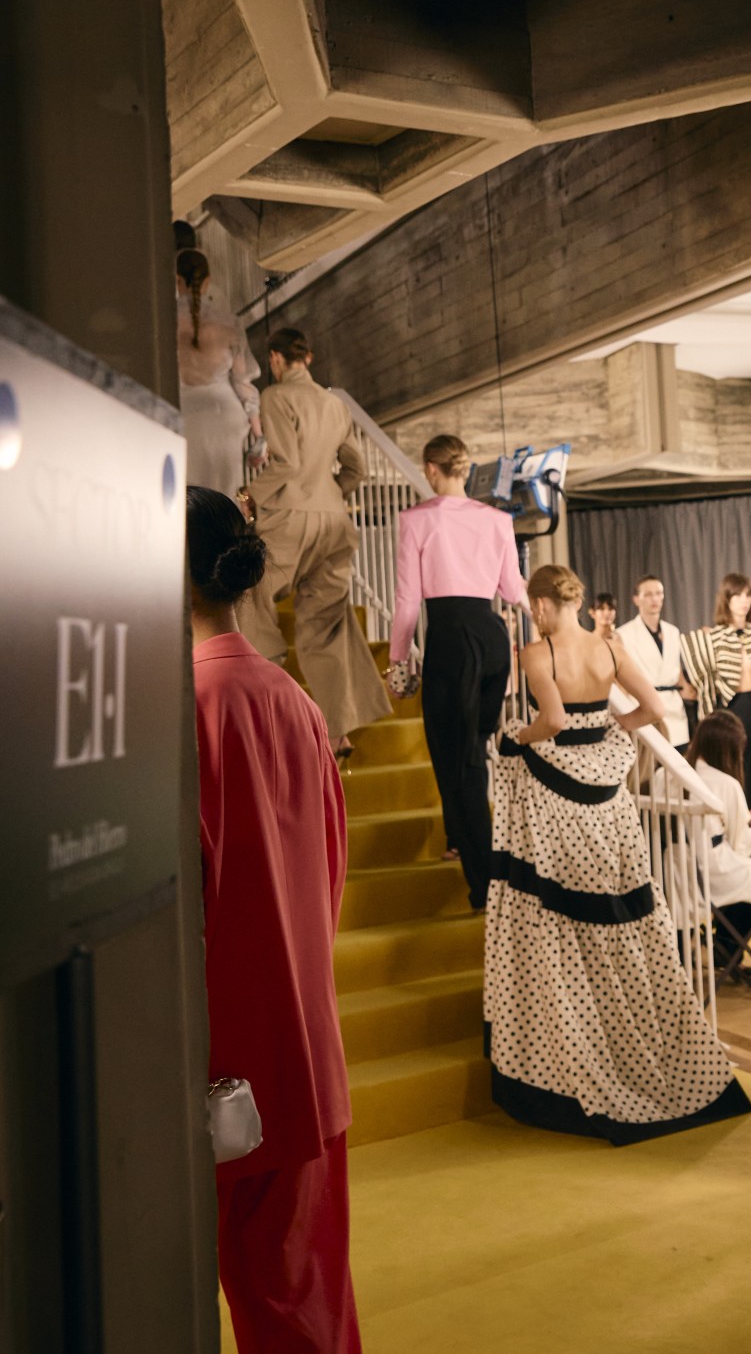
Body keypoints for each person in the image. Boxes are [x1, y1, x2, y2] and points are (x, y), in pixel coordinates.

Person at [188, 485, 365, 1354]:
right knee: (311, 1332)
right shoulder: (291, 700)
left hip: (201, 1073)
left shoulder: (171, 709)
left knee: (158, 1339)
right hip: (301, 1057)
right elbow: (331, 882)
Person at [484, 561, 751, 1141]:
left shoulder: (536, 655)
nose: (534, 613)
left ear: (546, 604)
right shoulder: (607, 646)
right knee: (621, 913)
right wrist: (613, 729)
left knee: (561, 914)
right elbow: (655, 711)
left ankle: (577, 1045)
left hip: (559, 797)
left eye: (535, 605)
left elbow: (551, 721)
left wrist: (514, 737)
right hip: (608, 801)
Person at [388, 434, 527, 911]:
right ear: (465, 470)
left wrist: (397, 658)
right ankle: (460, 840)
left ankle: (484, 885)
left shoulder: (415, 520)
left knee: (457, 764)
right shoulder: (497, 520)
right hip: (492, 640)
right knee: (472, 757)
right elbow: (513, 590)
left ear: (430, 470)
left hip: (449, 642)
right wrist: (553, 629)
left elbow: (408, 600)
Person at [238, 327, 390, 755]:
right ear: (308, 358)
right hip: (335, 522)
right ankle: (337, 732)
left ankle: (264, 705)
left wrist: (245, 497)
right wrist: (332, 495)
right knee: (325, 625)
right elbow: (357, 469)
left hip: (290, 519)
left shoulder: (276, 397)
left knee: (252, 596)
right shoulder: (335, 404)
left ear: (274, 359)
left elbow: (285, 465)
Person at [685, 708, 751, 994]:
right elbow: (741, 843)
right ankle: (738, 950)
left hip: (680, 870)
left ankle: (728, 949)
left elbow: (715, 827)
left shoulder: (673, 776)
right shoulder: (726, 784)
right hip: (712, 873)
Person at [679, 574, 751, 798]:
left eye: (748, 595)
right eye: (738, 594)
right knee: (734, 770)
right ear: (727, 599)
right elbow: (705, 687)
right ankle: (742, 823)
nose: (744, 600)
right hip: (732, 709)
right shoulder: (713, 637)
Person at [174, 246, 263, 496]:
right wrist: (258, 434)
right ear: (208, 282)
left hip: (184, 416)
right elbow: (242, 381)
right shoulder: (228, 322)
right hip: (223, 417)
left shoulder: (163, 319)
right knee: (223, 495)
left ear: (177, 279)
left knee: (186, 496)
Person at [613, 573, 692, 749]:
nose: (654, 599)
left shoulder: (673, 631)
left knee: (679, 763)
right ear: (636, 599)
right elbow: (619, 680)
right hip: (643, 705)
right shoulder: (623, 634)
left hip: (674, 707)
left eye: (658, 593)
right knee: (650, 765)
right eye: (648, 594)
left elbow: (676, 670)